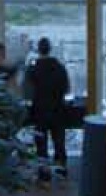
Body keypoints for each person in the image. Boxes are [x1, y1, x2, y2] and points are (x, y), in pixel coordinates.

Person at [23, 38, 74, 183]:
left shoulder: (32, 69)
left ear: (38, 49)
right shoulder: (60, 67)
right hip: (58, 109)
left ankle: (44, 177)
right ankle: (61, 172)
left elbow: (27, 93)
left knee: (41, 144)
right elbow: (67, 89)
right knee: (59, 142)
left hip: (39, 111)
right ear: (50, 49)